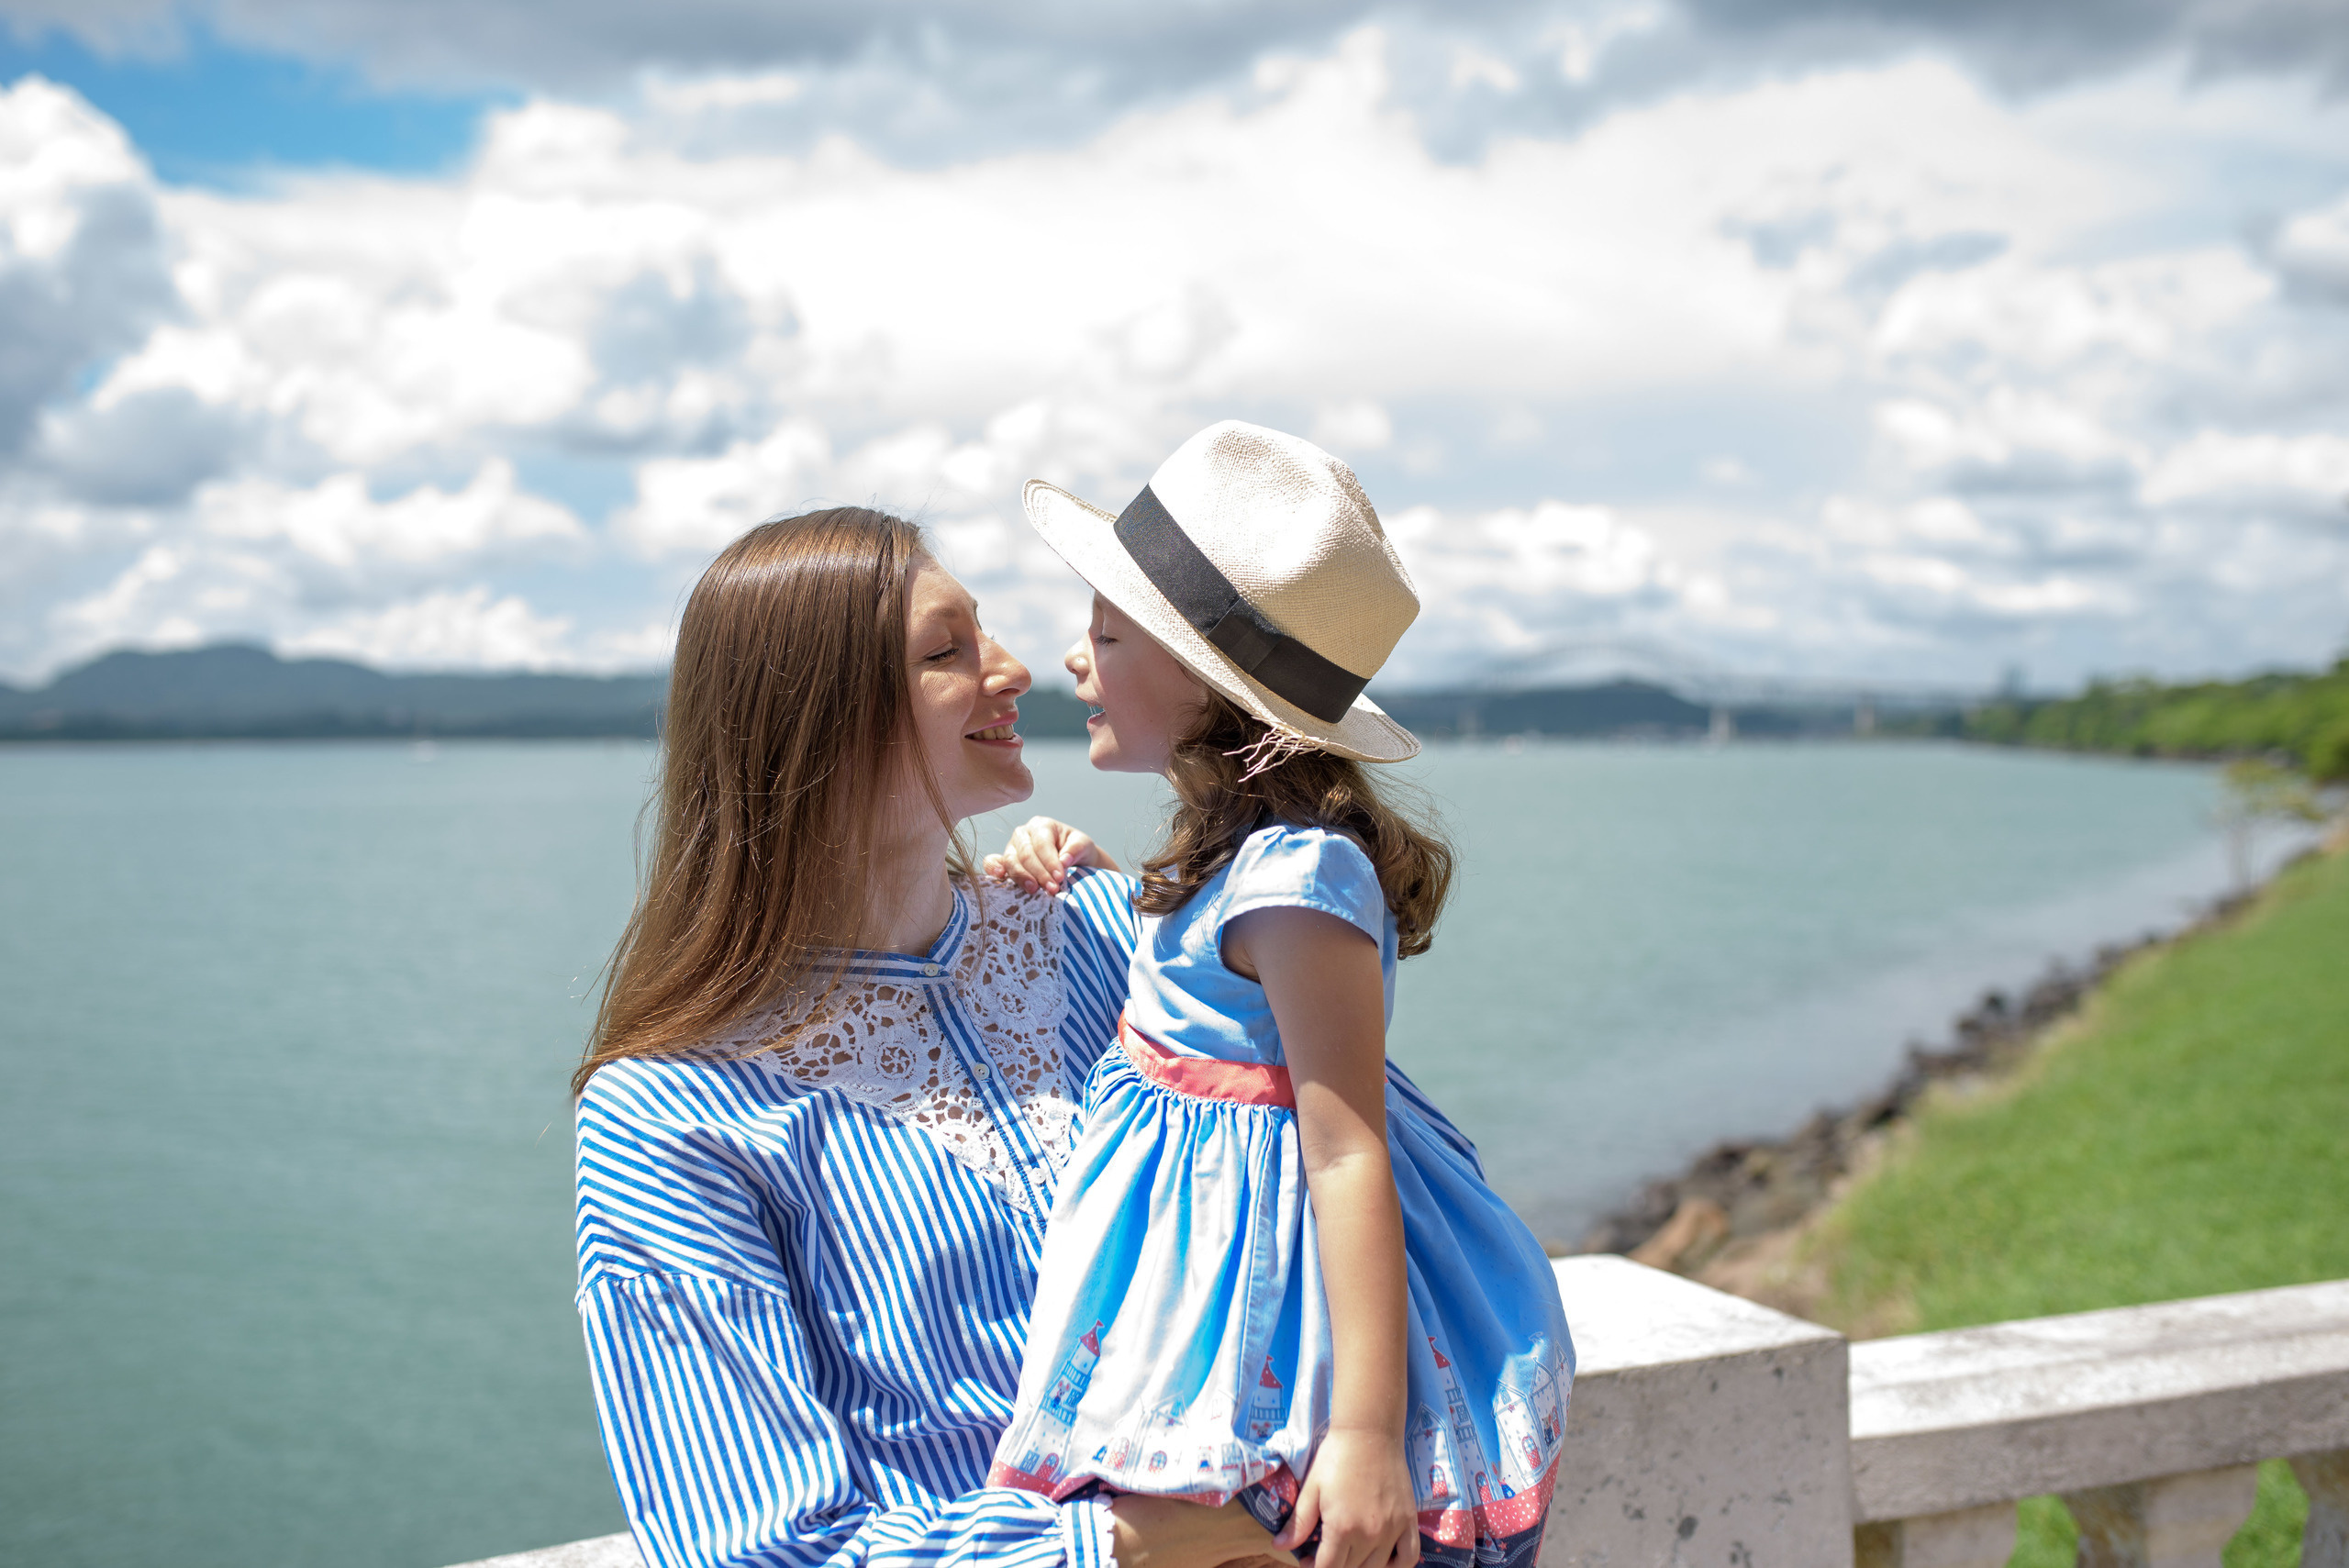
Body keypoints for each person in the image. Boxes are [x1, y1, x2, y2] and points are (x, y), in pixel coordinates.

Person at [571, 507, 1295, 1568]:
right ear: (815, 717)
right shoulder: (672, 1109)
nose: (1012, 671)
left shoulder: (1102, 932)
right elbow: (756, 1549)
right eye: (947, 650)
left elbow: (1336, 1164)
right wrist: (1122, 1541)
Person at [982, 423, 1574, 1568]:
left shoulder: (1303, 878)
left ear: (1207, 688)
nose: (1071, 657)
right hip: (1197, 1294)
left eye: (1107, 633)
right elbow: (1205, 988)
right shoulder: (1231, 864)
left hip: (1256, 1312)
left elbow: (1345, 1151)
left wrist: (1362, 1435)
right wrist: (1097, 872)